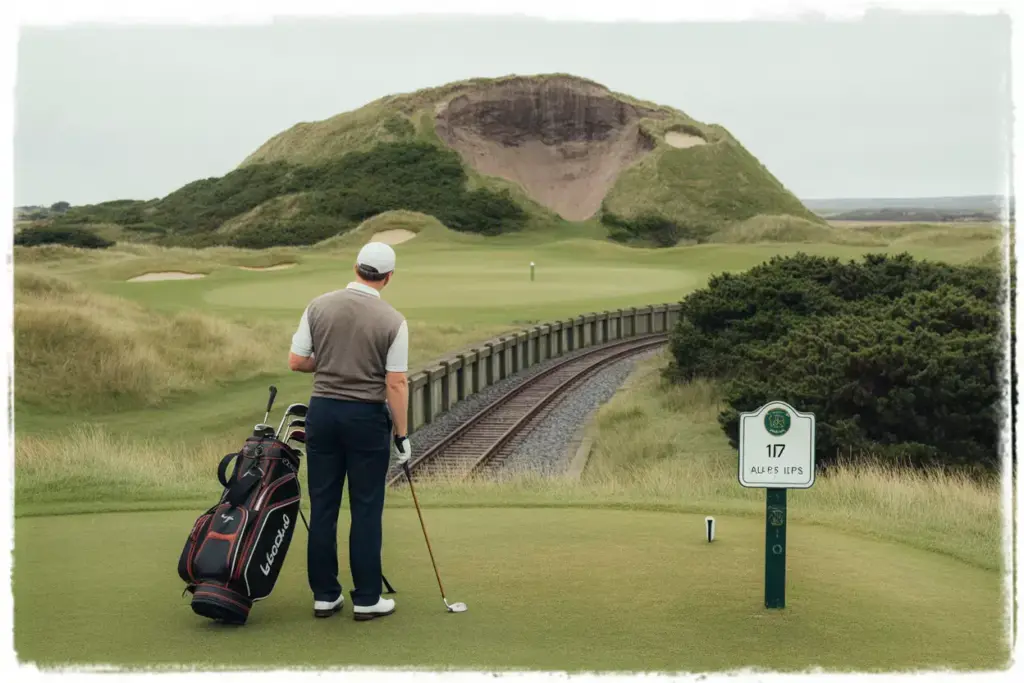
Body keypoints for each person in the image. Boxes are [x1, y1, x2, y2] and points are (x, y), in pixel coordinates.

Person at [288, 241, 413, 621]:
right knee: (366, 508)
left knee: (323, 506)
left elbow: (297, 361)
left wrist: (329, 364)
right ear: (388, 277)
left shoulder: (318, 305)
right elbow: (396, 384)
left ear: (356, 267)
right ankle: (366, 598)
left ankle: (325, 596)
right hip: (365, 420)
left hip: (323, 414)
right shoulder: (393, 320)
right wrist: (401, 435)